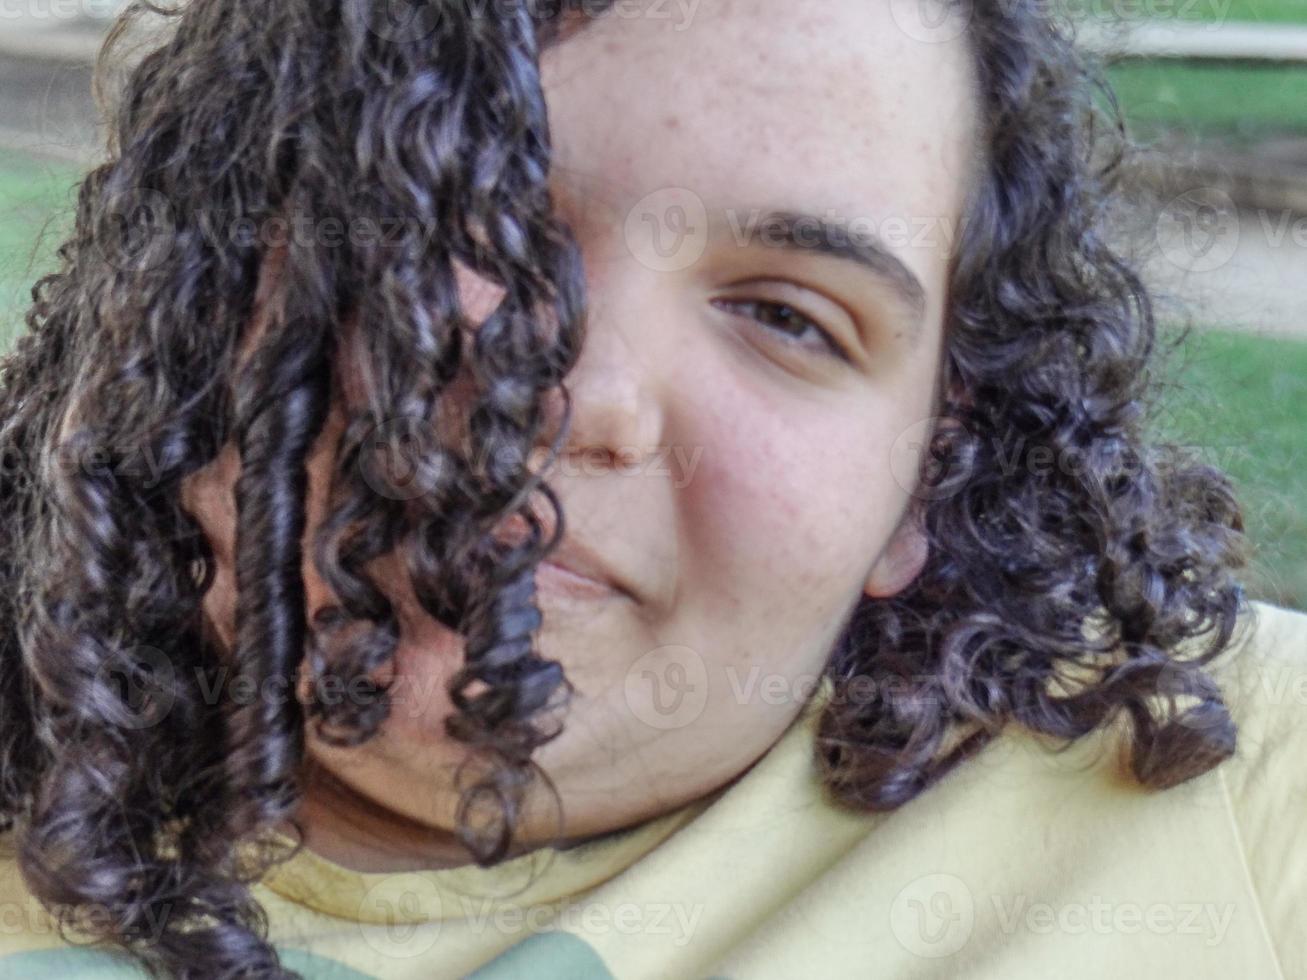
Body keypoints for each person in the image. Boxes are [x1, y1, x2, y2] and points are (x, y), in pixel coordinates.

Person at [0, 0, 1303, 977]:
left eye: (791, 319)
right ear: (202, 267)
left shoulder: (1232, 784)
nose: (587, 395)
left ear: (925, 470)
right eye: (469, 217)